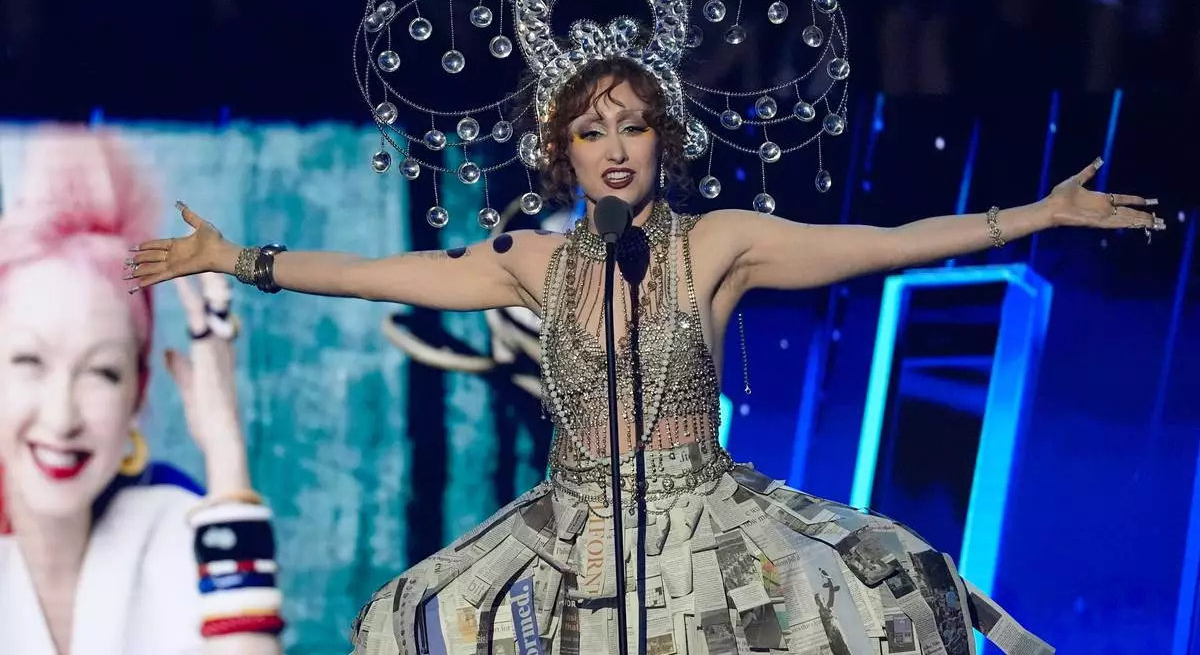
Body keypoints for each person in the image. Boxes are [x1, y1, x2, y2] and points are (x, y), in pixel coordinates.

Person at [129, 51, 1162, 653]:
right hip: (567, 535)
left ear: (664, 139)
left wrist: (1041, 212)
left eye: (631, 126)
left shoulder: (718, 243)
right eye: (591, 130)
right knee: (407, 620)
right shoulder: (527, 258)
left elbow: (888, 243)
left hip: (705, 538)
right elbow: (377, 273)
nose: (615, 146)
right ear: (560, 150)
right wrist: (239, 257)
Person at [0, 129, 285, 654]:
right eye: (29, 361)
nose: (61, 417)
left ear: (138, 392)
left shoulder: (171, 529)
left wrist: (225, 448)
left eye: (101, 372)